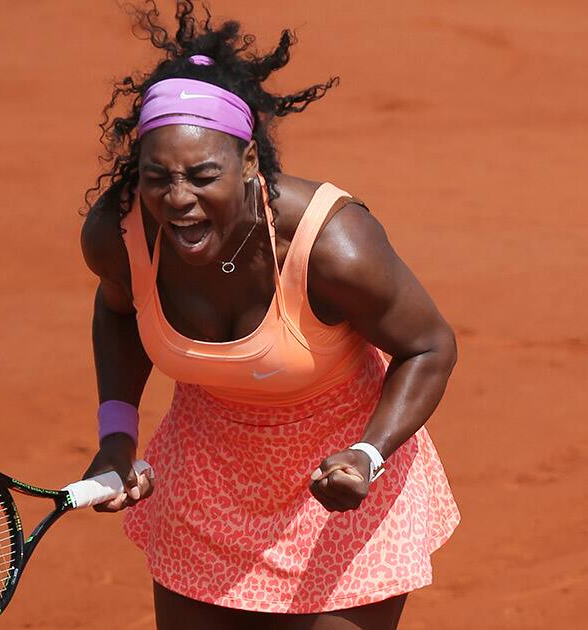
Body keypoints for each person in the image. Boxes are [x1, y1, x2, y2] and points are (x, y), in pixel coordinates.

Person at [80, 3, 460, 628]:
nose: (178, 201)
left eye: (203, 176)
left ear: (249, 162)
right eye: (157, 178)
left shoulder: (335, 246)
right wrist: (117, 439)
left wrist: (368, 453)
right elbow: (119, 310)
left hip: (338, 489)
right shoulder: (119, 237)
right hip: (204, 485)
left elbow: (430, 347)